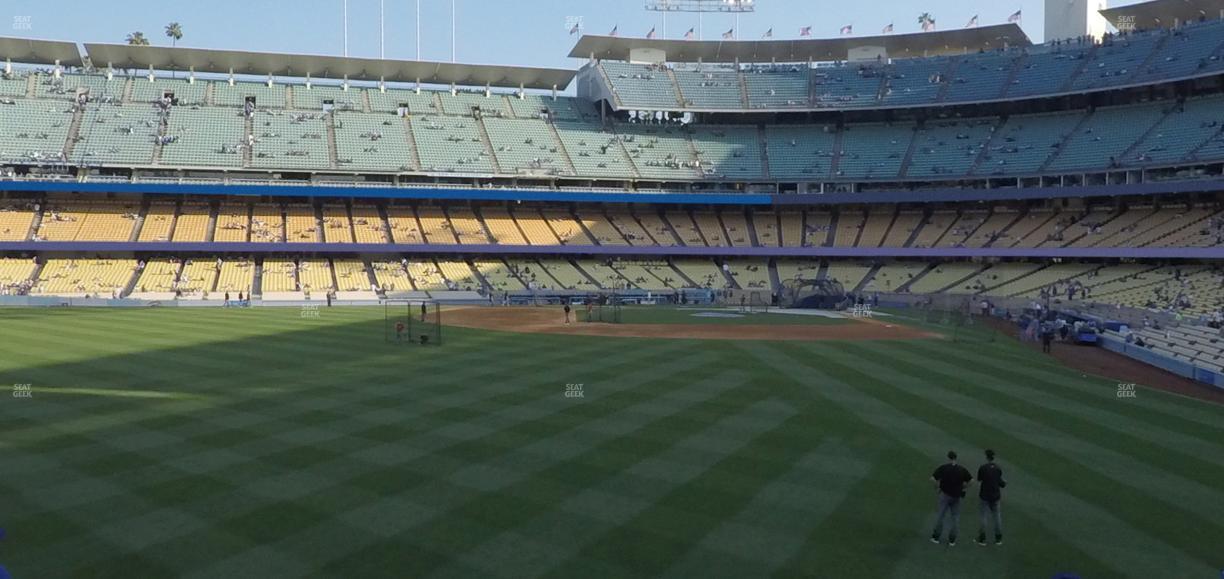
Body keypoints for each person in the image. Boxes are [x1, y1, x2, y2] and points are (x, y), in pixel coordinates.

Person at [930, 450, 973, 546]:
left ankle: (936, 537)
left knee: (941, 516)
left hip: (945, 495)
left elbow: (933, 478)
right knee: (955, 518)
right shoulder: (961, 469)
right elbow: (971, 480)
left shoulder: (944, 468)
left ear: (948, 457)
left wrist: (937, 487)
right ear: (955, 458)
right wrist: (963, 488)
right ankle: (952, 540)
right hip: (957, 497)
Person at [976, 449, 1007, 546]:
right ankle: (998, 539)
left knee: (983, 517)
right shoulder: (998, 468)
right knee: (997, 517)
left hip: (985, 495)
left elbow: (979, 479)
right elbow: (1000, 482)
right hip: (995, 496)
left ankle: (982, 539)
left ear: (986, 457)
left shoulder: (983, 468)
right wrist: (1004, 483)